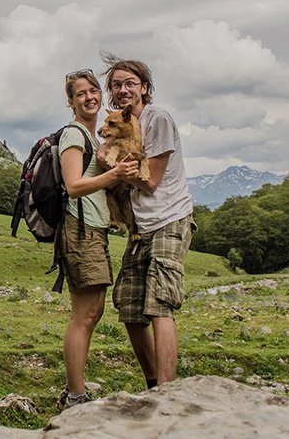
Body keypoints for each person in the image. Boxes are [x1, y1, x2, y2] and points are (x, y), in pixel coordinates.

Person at [100, 53, 195, 389]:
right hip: (140, 228)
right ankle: (154, 384)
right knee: (128, 305)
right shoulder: (121, 126)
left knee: (159, 304)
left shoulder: (158, 119)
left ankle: (168, 393)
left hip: (169, 218)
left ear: (144, 87)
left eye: (130, 83)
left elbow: (150, 181)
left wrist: (116, 170)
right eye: (116, 85)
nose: (123, 89)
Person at [56, 69, 139, 410]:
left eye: (93, 91)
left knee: (92, 311)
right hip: (79, 229)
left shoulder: (94, 136)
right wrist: (115, 174)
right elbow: (73, 185)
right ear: (71, 101)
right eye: (81, 94)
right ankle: (75, 396)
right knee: (84, 315)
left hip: (92, 229)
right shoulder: (74, 135)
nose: (89, 97)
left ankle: (75, 392)